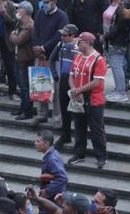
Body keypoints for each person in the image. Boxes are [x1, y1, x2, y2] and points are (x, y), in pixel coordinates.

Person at [67, 32, 109, 169]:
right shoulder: (78, 56)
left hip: (94, 100)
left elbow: (97, 82)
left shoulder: (98, 59)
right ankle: (79, 153)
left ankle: (102, 156)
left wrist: (79, 90)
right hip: (78, 98)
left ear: (88, 43)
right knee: (79, 127)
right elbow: (71, 75)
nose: (77, 43)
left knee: (96, 129)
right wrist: (74, 90)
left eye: (80, 41)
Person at [10, 1, 36, 120]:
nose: (17, 11)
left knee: (25, 86)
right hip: (19, 57)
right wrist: (14, 35)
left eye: (19, 9)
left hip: (26, 59)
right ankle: (22, 108)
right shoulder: (21, 22)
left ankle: (28, 111)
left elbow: (18, 39)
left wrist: (13, 36)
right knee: (21, 85)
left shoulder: (29, 25)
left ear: (25, 11)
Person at [35, 130, 69, 202]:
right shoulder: (51, 155)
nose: (35, 143)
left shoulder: (52, 159)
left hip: (53, 199)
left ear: (46, 143)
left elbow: (63, 177)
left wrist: (47, 191)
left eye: (38, 141)